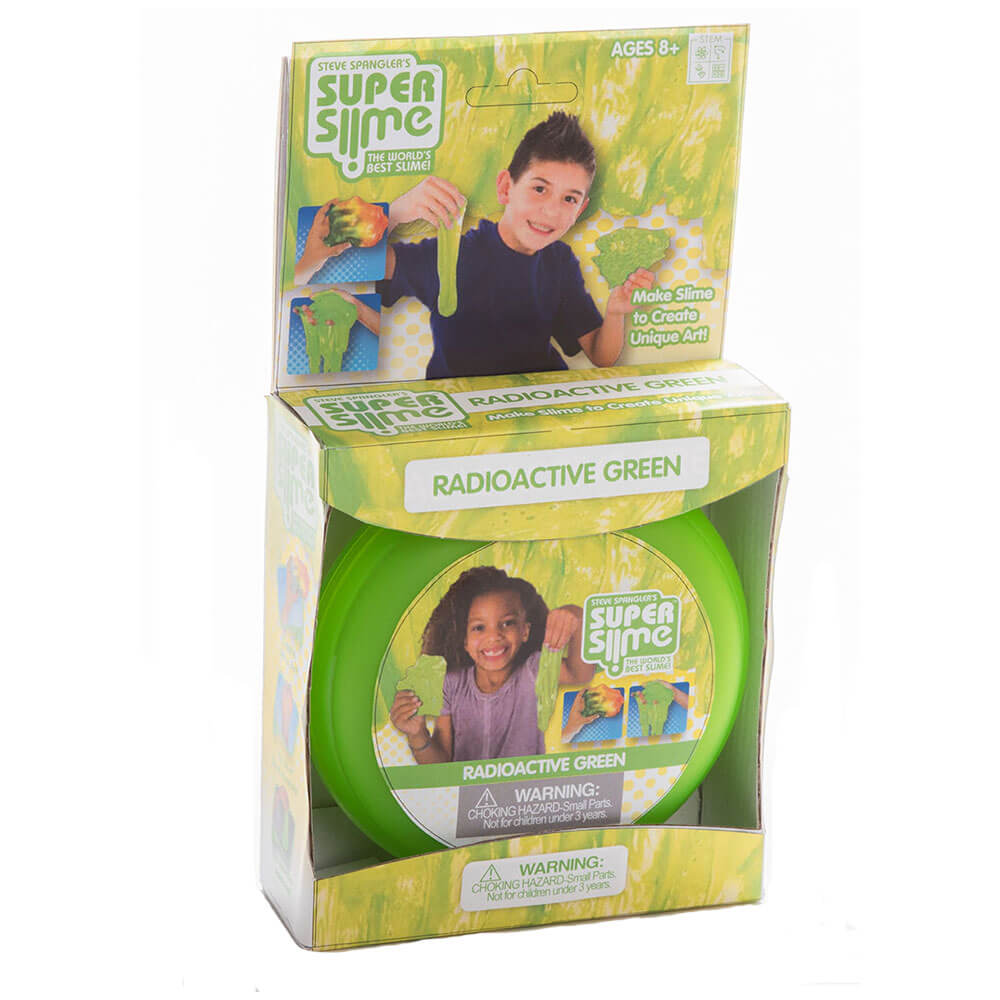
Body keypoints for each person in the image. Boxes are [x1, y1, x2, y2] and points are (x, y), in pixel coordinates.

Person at [390, 566, 595, 763]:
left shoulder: (534, 670)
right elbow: (440, 763)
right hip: (467, 787)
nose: (494, 636)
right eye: (479, 627)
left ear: (525, 631)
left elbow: (580, 674)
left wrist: (576, 615)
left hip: (525, 786)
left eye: (507, 623)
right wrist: (417, 735)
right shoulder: (451, 684)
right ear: (464, 640)